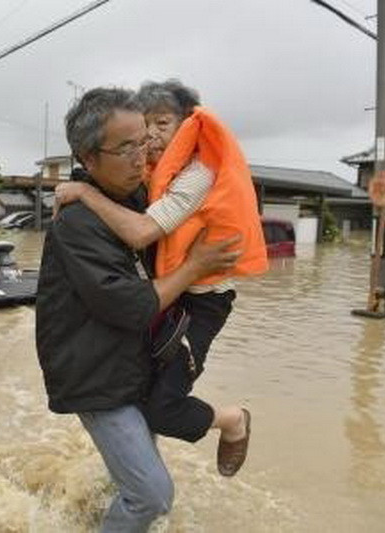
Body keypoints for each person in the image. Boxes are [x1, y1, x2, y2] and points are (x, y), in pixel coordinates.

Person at [36, 87, 243, 532]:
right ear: (88, 159)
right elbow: (129, 305)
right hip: (97, 377)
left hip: (131, 364)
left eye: (145, 140)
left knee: (131, 480)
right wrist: (195, 267)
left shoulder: (135, 197)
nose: (141, 155)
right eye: (126, 147)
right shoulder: (77, 222)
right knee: (152, 495)